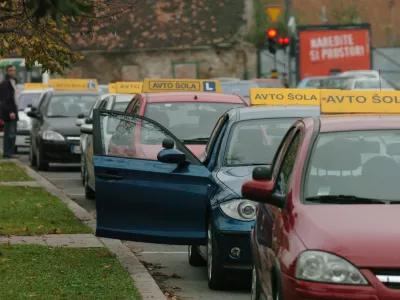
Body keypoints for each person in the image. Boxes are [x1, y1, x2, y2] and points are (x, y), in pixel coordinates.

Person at [0, 65, 19, 158]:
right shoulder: (5, 83)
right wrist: (10, 111)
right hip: (9, 112)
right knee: (9, 134)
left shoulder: (13, 81)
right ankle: (7, 153)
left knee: (13, 133)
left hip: (14, 110)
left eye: (13, 70)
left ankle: (10, 153)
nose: (12, 72)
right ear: (6, 71)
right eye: (10, 71)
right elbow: (5, 99)